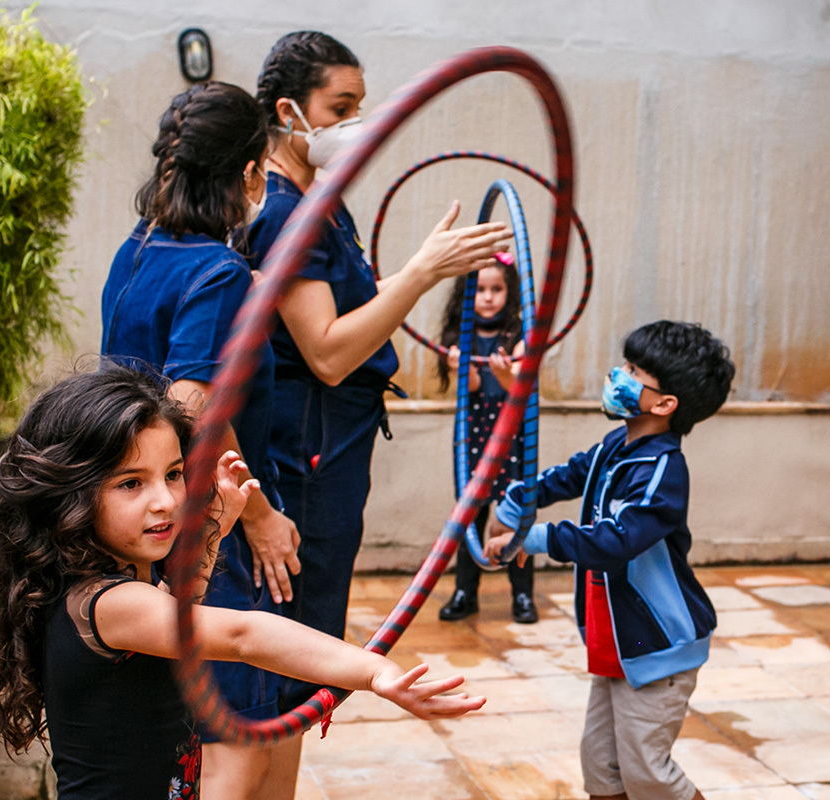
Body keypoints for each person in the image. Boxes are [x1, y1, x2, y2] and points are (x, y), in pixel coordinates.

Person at [0, 366, 487, 799]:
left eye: (173, 473)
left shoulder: (106, 590)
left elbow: (176, 614)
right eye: (132, 483)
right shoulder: (108, 603)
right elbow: (245, 635)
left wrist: (214, 531)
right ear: (70, 493)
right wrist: (373, 672)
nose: (166, 500)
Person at [248, 31, 513, 797]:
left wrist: (414, 269)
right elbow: (327, 350)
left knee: (304, 649)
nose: (357, 124)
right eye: (341, 108)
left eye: (362, 107)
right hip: (307, 452)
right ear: (288, 112)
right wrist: (424, 274)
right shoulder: (284, 214)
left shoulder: (318, 207)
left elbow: (348, 314)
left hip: (329, 447)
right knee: (292, 660)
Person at [99, 81, 300, 797]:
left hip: (138, 519)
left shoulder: (138, 251)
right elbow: (190, 407)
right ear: (249, 174)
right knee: (234, 739)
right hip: (205, 529)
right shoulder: (217, 272)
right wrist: (260, 515)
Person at [484, 320, 735, 800]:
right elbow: (567, 476)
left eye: (633, 371)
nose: (617, 375)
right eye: (625, 363)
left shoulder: (664, 471)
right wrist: (517, 500)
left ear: (664, 405)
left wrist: (531, 538)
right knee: (601, 769)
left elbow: (614, 541)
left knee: (648, 775)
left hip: (657, 649)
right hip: (616, 643)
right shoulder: (615, 447)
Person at [435, 257, 538, 624]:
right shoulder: (458, 336)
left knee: (515, 515)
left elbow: (519, 392)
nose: (489, 298)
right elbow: (472, 390)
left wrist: (506, 374)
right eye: (480, 289)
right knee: (471, 517)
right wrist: (465, 370)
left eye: (497, 289)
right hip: (474, 435)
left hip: (511, 433)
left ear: (509, 293)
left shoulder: (520, 335)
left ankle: (523, 595)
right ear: (467, 294)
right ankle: (465, 592)